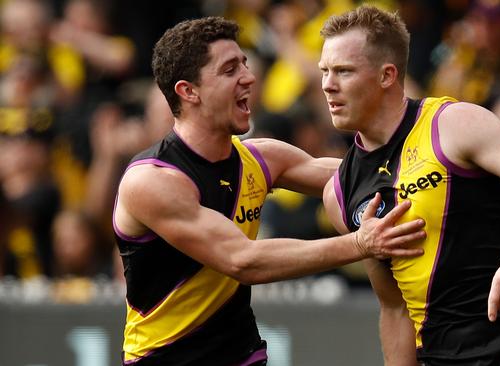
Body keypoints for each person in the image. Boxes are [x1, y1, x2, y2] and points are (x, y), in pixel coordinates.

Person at [112, 16, 426, 366]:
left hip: (243, 356)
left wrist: (443, 164)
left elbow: (365, 177)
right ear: (189, 91)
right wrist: (359, 244)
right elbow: (242, 261)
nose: (249, 77)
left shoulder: (262, 159)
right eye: (230, 70)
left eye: (245, 64)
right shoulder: (152, 180)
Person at [319, 6, 500, 365]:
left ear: (387, 75)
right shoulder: (339, 194)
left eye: (343, 71)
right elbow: (395, 308)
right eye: (324, 71)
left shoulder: (453, 124)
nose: (327, 85)